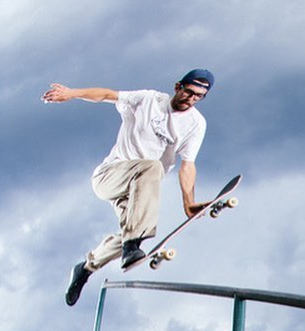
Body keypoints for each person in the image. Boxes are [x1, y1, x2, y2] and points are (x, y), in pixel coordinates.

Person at [42, 69, 215, 306]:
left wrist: (189, 203)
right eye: (189, 92)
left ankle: (86, 267)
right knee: (152, 168)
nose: (191, 99)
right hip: (110, 176)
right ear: (178, 87)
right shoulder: (148, 100)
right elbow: (106, 95)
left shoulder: (196, 124)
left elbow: (188, 165)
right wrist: (72, 93)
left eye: (198, 97)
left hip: (138, 189)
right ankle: (132, 245)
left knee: (132, 234)